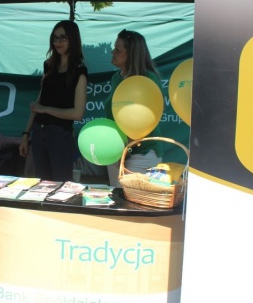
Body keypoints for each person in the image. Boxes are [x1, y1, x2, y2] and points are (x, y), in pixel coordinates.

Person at [18, 20, 88, 181]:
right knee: (42, 184)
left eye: (63, 37)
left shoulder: (80, 70)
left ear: (72, 39)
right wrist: (26, 134)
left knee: (61, 185)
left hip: (60, 135)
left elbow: (78, 114)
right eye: (55, 38)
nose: (58, 42)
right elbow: (38, 102)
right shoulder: (49, 65)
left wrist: (46, 109)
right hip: (38, 132)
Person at [105, 29, 164, 187]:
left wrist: (124, 150)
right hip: (117, 153)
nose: (112, 52)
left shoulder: (148, 79)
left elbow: (147, 120)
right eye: (114, 48)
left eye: (118, 49)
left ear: (132, 54)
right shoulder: (116, 78)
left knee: (132, 199)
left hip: (142, 153)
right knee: (116, 197)